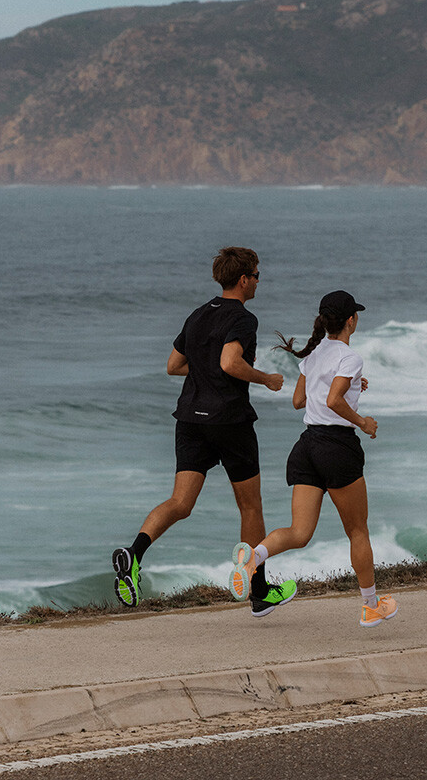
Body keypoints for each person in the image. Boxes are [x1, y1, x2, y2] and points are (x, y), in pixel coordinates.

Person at [112, 246, 298, 617]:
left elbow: (173, 365)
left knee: (181, 503)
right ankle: (259, 590)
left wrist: (204, 374)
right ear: (243, 280)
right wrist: (266, 379)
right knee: (250, 506)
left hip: (190, 420)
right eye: (257, 276)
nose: (259, 282)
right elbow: (230, 363)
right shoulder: (243, 318)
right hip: (229, 421)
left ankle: (133, 554)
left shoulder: (198, 314)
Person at [228, 289, 398, 628]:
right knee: (357, 531)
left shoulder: (316, 353)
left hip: (307, 448)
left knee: (299, 532)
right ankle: (371, 605)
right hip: (337, 448)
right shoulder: (350, 357)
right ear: (351, 320)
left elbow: (299, 400)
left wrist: (351, 386)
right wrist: (363, 422)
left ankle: (252, 560)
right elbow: (334, 400)